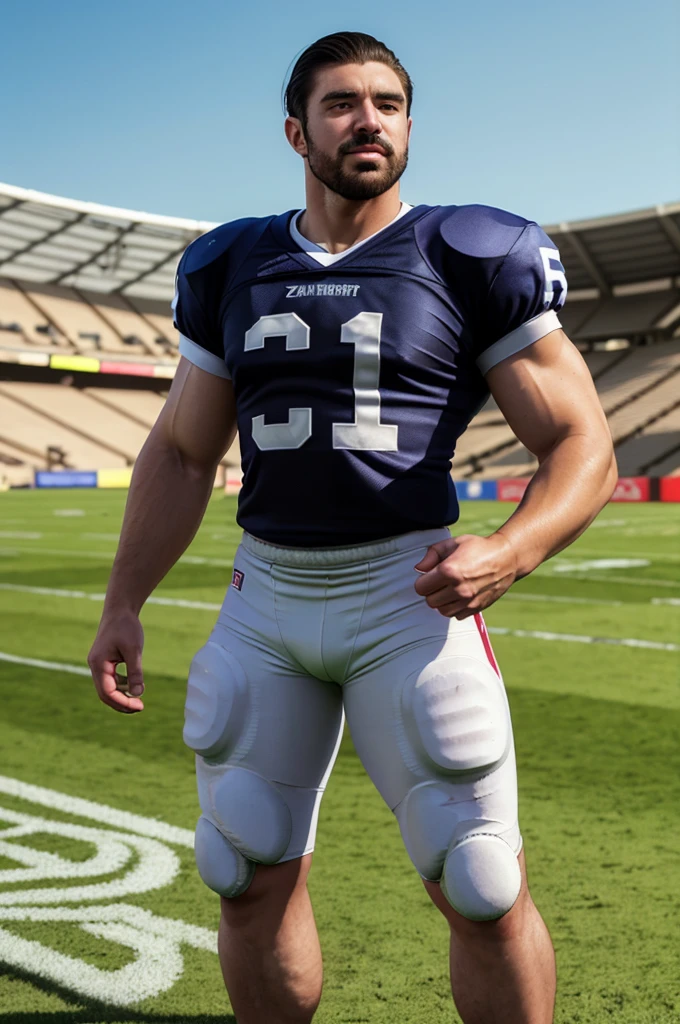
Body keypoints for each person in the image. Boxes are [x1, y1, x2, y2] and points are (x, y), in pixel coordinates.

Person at [88, 31, 617, 1024]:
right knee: (241, 869)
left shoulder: (470, 250)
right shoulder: (231, 260)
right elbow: (180, 450)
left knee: (478, 881)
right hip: (267, 597)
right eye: (340, 102)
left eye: (386, 101)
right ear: (296, 128)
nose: (366, 119)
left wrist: (510, 548)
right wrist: (123, 599)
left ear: (409, 124)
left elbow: (580, 439)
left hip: (403, 597)